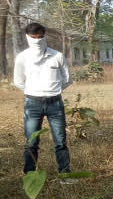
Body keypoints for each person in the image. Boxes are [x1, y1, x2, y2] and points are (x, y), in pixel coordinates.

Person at [13, 22, 74, 182]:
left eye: (40, 37)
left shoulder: (57, 56)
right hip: (32, 104)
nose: (37, 40)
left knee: (60, 141)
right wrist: (34, 90)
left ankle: (65, 176)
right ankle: (30, 177)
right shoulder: (22, 58)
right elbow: (18, 81)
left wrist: (52, 89)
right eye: (33, 37)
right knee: (31, 142)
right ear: (28, 37)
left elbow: (67, 79)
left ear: (44, 36)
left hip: (55, 103)